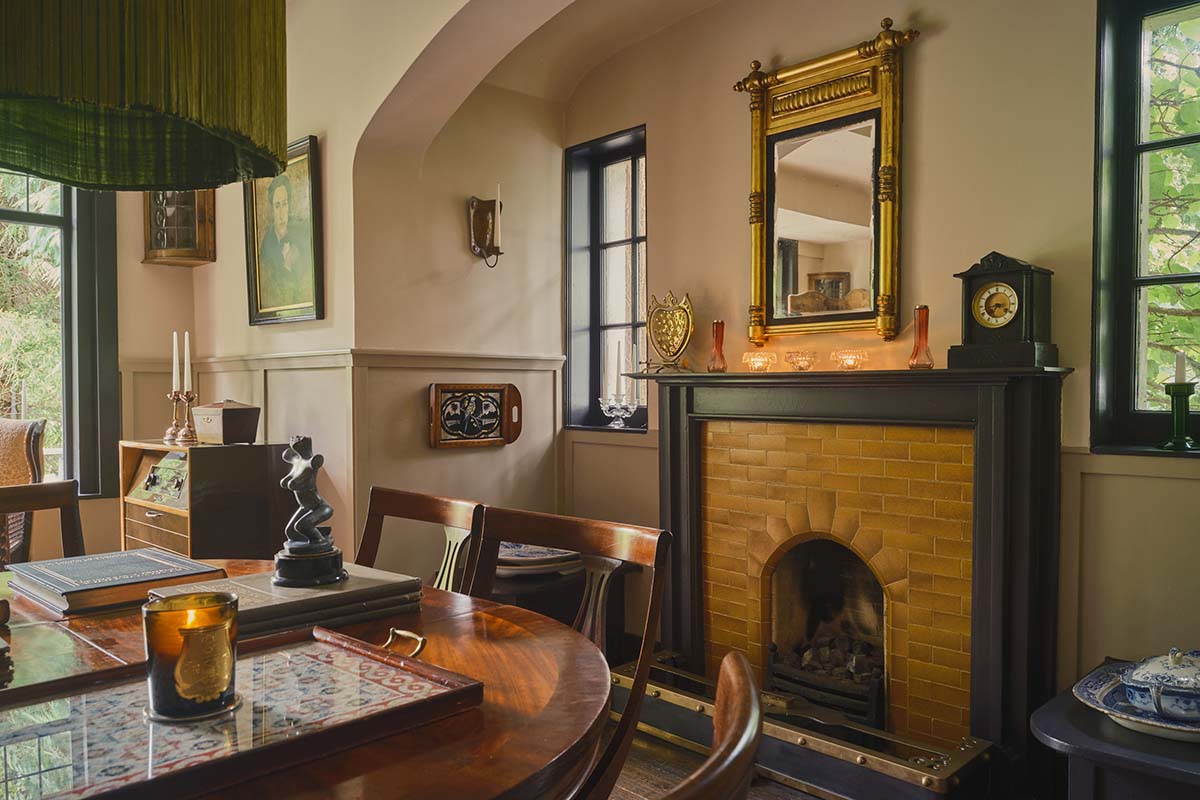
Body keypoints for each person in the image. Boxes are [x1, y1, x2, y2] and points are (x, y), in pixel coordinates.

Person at [257, 174, 313, 310]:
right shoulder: (267, 244)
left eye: (284, 204)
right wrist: (286, 266)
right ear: (272, 209)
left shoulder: (303, 231)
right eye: (277, 206)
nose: (282, 213)